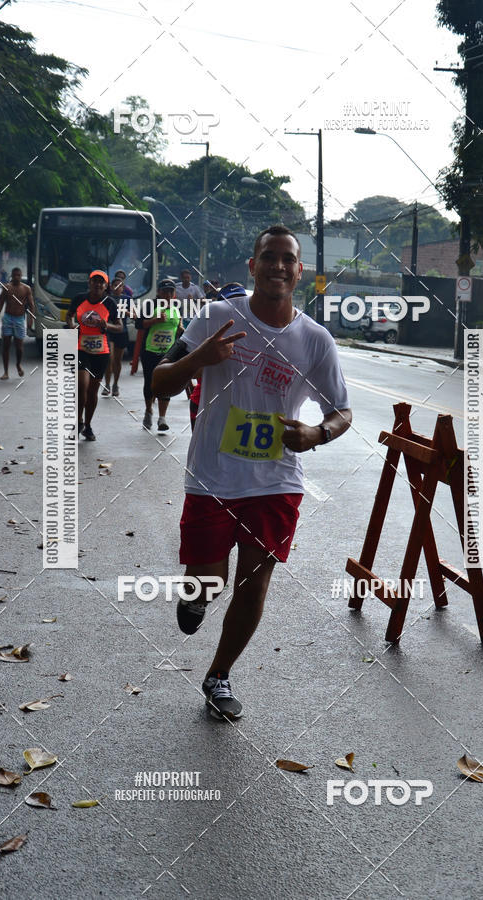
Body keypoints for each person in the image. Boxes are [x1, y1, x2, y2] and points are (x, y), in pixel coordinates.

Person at [152, 225, 352, 720]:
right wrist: (200, 357)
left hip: (276, 482)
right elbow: (158, 384)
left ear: (299, 271)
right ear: (253, 266)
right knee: (209, 580)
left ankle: (218, 675)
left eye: (288, 259)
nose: (278, 266)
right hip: (212, 478)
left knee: (255, 581)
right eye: (269, 257)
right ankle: (197, 597)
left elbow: (342, 412)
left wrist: (315, 434)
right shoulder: (217, 316)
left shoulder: (315, 340)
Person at [66, 270, 122, 441]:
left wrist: (108, 326)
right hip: (80, 348)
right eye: (94, 281)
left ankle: (88, 425)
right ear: (89, 283)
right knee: (81, 386)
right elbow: (69, 316)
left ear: (106, 286)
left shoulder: (110, 303)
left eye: (101, 282)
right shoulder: (79, 299)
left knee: (92, 392)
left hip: (101, 351)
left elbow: (119, 327)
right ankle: (78, 421)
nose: (98, 284)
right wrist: (72, 325)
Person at [188, 283, 247, 432]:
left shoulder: (256, 333)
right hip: (203, 402)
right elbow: (191, 370)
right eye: (230, 303)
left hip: (241, 407)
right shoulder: (205, 330)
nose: (236, 307)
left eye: (240, 301)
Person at [137, 278, 182, 432]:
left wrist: (182, 330)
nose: (168, 294)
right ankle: (149, 410)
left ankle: (162, 418)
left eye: (171, 291)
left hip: (169, 352)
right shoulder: (150, 305)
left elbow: (179, 325)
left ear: (174, 294)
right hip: (150, 351)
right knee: (150, 382)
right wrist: (155, 320)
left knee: (166, 382)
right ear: (159, 292)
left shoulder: (177, 307)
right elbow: (138, 323)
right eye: (165, 291)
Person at [0, 267, 35, 379]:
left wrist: (30, 319)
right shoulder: (7, 288)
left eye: (18, 275)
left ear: (21, 276)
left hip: (20, 319)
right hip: (7, 319)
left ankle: (18, 364)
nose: (16, 277)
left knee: (19, 347)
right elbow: (0, 304)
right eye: (14, 275)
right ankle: (5, 372)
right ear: (11, 276)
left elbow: (31, 305)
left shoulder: (26, 288)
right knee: (5, 345)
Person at [103, 270, 132, 397]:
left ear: (123, 288)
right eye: (115, 285)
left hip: (122, 331)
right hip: (109, 331)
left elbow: (135, 316)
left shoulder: (127, 300)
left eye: (120, 286)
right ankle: (107, 385)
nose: (117, 288)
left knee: (117, 361)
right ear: (111, 287)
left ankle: (115, 384)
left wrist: (125, 312)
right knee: (109, 358)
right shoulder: (106, 299)